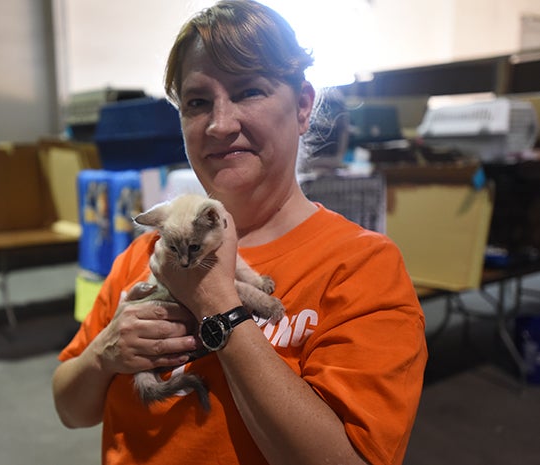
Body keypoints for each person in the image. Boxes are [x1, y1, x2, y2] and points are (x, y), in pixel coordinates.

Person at [52, 1, 427, 464]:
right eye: (197, 102)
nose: (220, 124)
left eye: (249, 91)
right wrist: (103, 356)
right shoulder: (149, 253)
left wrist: (216, 304)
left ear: (303, 106)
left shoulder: (361, 267)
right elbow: (69, 408)